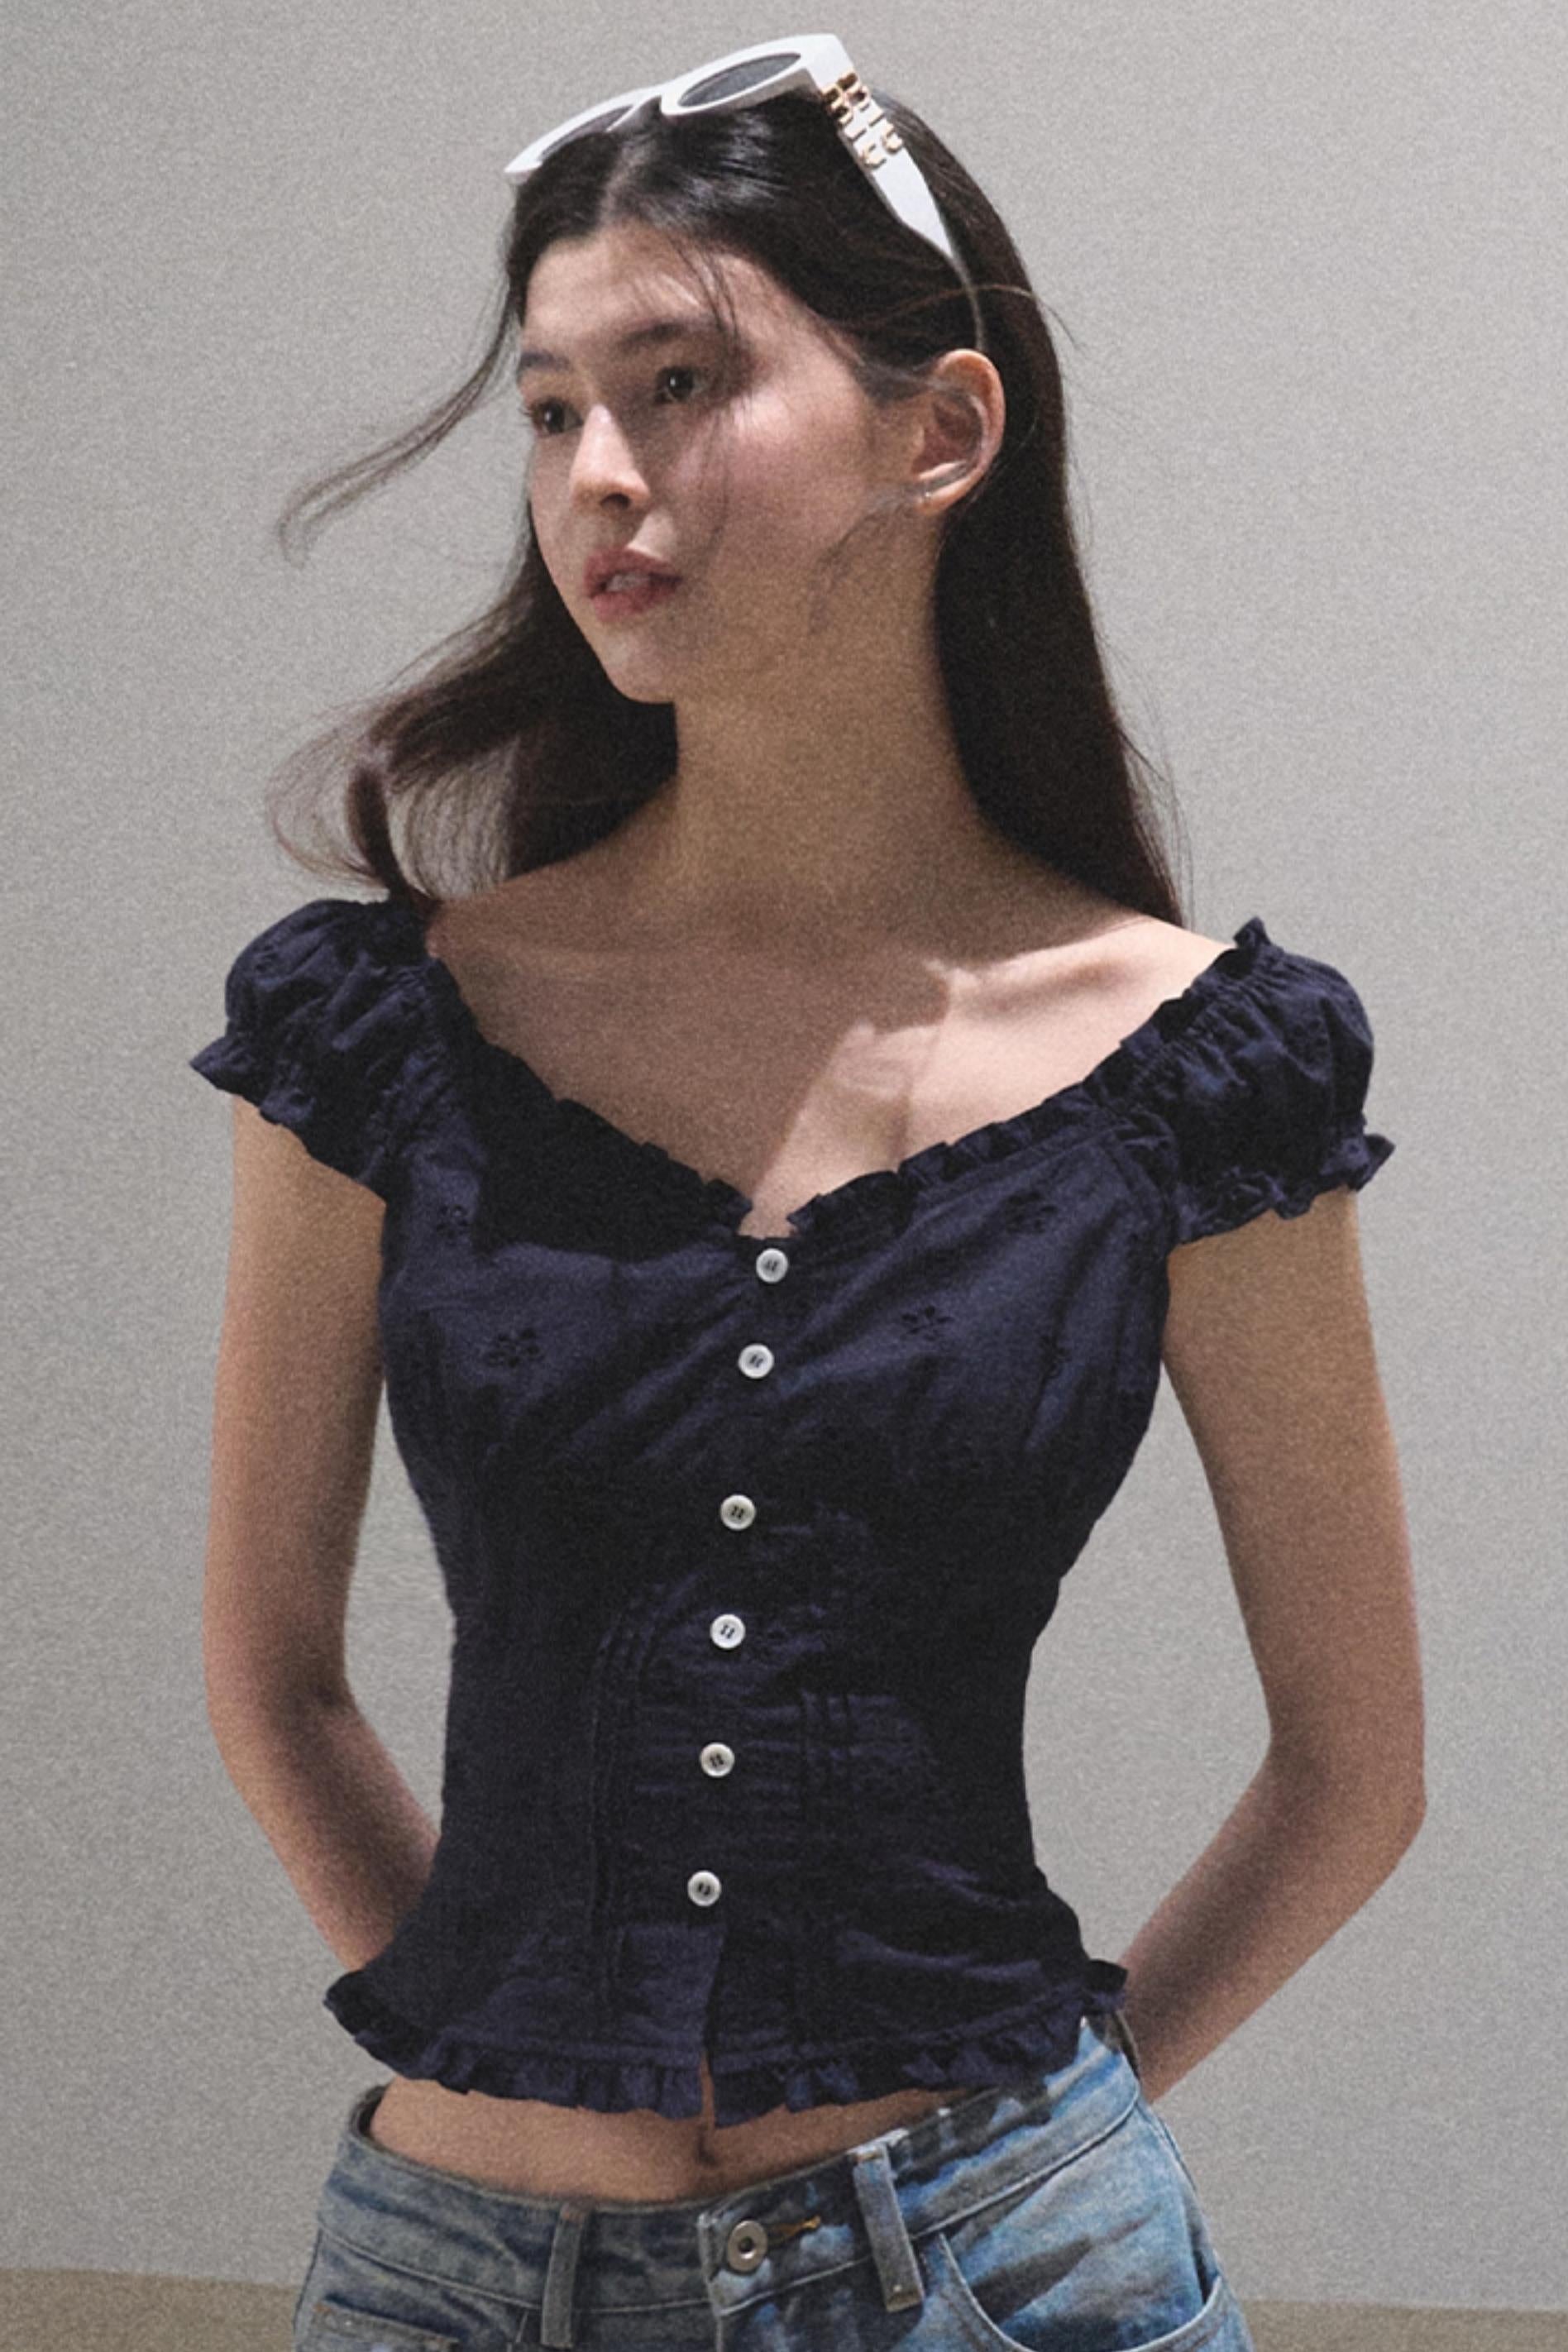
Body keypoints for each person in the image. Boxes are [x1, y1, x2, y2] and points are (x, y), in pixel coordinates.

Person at [190, 37, 1422, 2352]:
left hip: (1008, 2276)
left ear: (940, 430)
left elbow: (1355, 1770)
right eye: (552, 408)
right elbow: (270, 1665)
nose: (600, 473)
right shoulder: (379, 1028)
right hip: (458, 2278)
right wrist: (510, 2043)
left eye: (680, 384)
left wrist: (1026, 2159)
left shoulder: (1203, 1070)